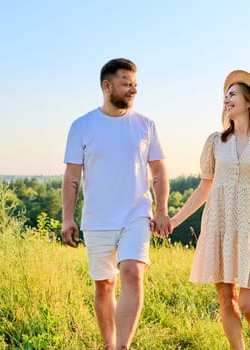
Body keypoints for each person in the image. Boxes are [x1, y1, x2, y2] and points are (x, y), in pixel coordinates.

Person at [170, 70, 250, 350]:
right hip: (221, 223)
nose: (226, 100)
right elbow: (204, 188)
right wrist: (175, 220)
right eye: (225, 96)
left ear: (249, 102)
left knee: (249, 305)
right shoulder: (216, 142)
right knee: (227, 301)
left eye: (232, 95)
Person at [60, 58, 171, 350]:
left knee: (133, 273)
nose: (132, 89)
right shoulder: (82, 126)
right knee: (104, 285)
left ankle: (123, 347)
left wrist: (161, 210)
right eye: (126, 83)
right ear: (107, 86)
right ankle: (109, 345)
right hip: (97, 219)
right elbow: (72, 176)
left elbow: (158, 171)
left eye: (135, 84)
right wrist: (67, 218)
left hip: (136, 214)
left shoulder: (146, 125)